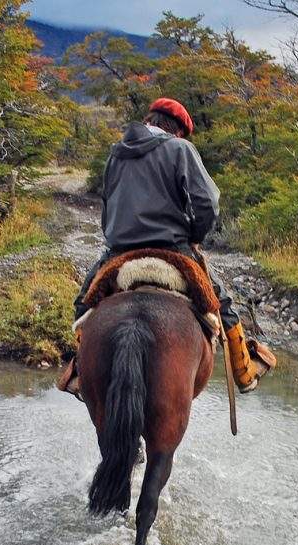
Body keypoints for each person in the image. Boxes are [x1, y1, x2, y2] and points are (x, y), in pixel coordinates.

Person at [57, 97, 275, 397]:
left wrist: (117, 235)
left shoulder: (116, 153)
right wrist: (194, 235)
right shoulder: (179, 148)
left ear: (150, 120)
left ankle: (79, 373)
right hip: (171, 247)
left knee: (84, 302)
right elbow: (207, 202)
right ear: (177, 131)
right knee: (219, 300)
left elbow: (106, 207)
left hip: (119, 250)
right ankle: (244, 371)